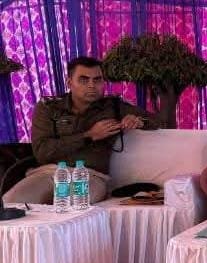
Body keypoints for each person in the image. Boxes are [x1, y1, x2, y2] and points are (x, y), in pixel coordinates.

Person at [3, 56, 159, 205]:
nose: (91, 85)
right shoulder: (49, 108)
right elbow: (42, 151)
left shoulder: (113, 107)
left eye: (97, 80)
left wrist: (139, 121)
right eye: (84, 80)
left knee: (72, 201)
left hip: (91, 176)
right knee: (10, 202)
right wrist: (89, 136)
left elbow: (157, 121)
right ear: (69, 83)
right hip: (48, 173)